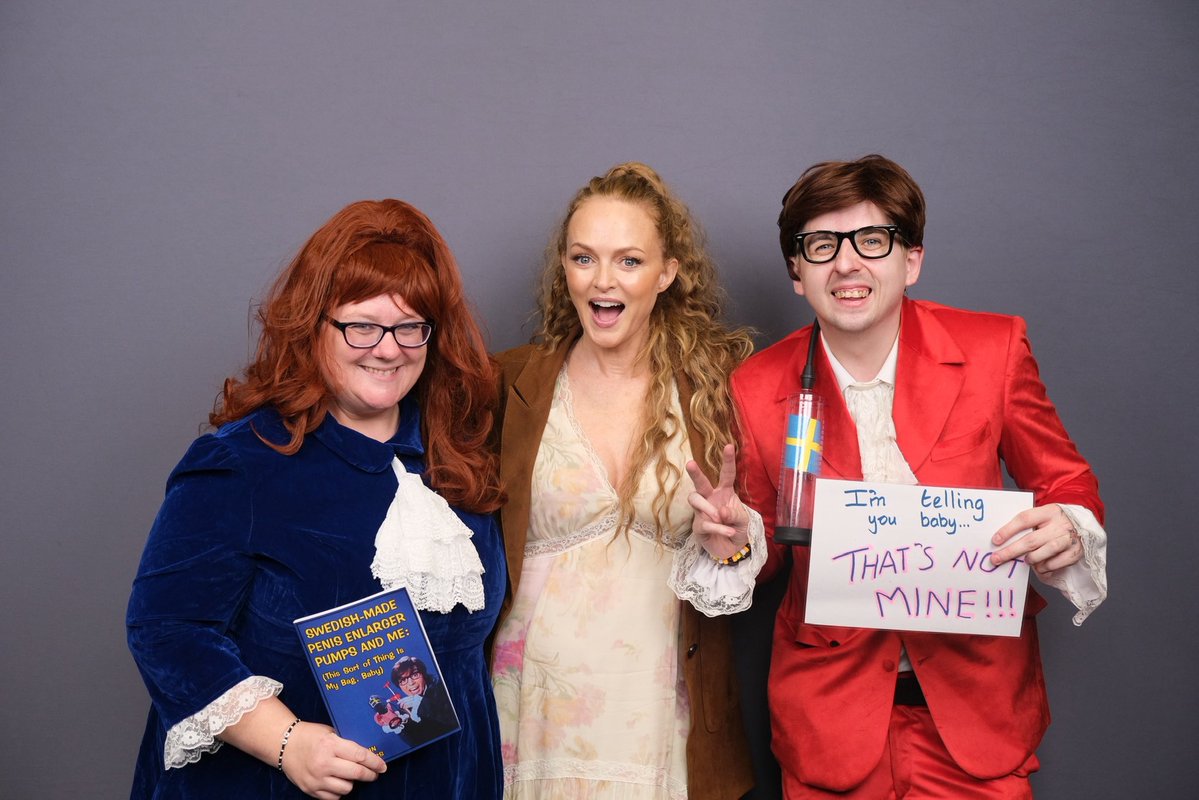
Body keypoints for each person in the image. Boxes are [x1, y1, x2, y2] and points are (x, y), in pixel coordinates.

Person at [732, 155, 1108, 798]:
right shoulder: (755, 385)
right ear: (798, 272)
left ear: (911, 260)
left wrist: (1069, 526)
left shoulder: (995, 349)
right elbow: (765, 550)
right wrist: (731, 543)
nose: (846, 263)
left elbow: (1068, 480)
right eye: (821, 245)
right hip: (830, 720)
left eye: (871, 240)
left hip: (977, 712)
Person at [127, 199, 507, 799]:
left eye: (411, 328)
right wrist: (288, 743)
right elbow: (168, 630)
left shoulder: (459, 462)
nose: (388, 348)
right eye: (362, 325)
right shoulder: (242, 461)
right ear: (313, 325)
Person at [489, 162, 761, 799]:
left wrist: (734, 542)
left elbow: (754, 544)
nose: (603, 281)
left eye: (629, 261)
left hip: (662, 712)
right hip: (530, 710)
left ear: (667, 272)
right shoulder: (506, 383)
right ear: (565, 268)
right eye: (584, 258)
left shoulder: (717, 387)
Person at [389, 656, 458, 747]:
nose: (411, 683)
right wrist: (399, 726)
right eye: (403, 680)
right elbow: (418, 743)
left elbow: (455, 721)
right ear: (399, 686)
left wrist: (422, 703)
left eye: (415, 675)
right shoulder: (407, 707)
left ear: (424, 675)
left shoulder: (442, 686)